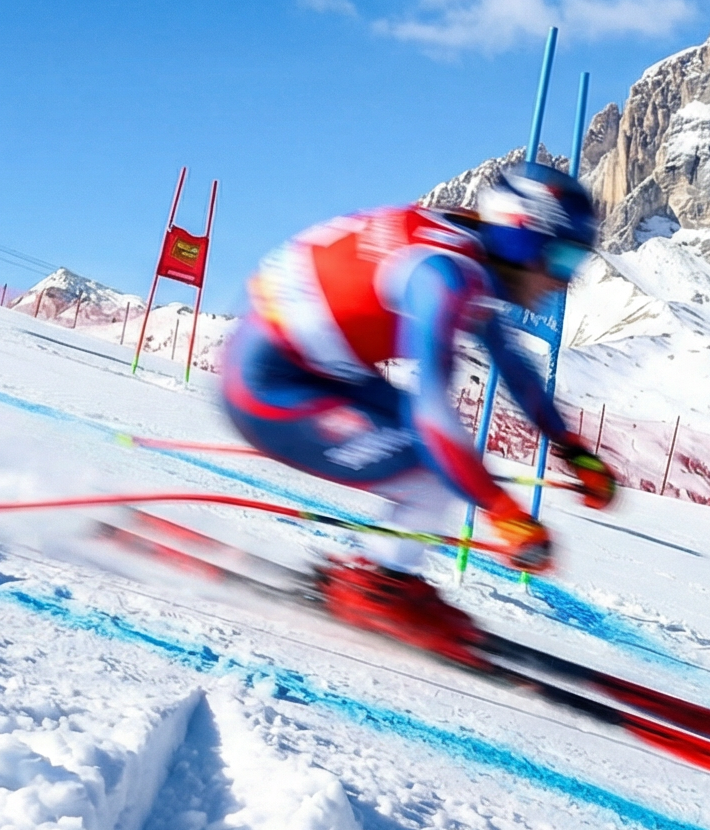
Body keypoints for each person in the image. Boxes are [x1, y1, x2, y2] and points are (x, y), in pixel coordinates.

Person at [221, 161, 622, 653]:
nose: (564, 282)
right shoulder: (444, 277)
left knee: (436, 453)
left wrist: (570, 448)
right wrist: (503, 512)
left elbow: (510, 363)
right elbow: (433, 413)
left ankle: (384, 576)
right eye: (562, 261)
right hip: (267, 389)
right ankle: (378, 585)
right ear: (523, 237)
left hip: (315, 371)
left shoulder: (465, 254)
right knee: (431, 461)